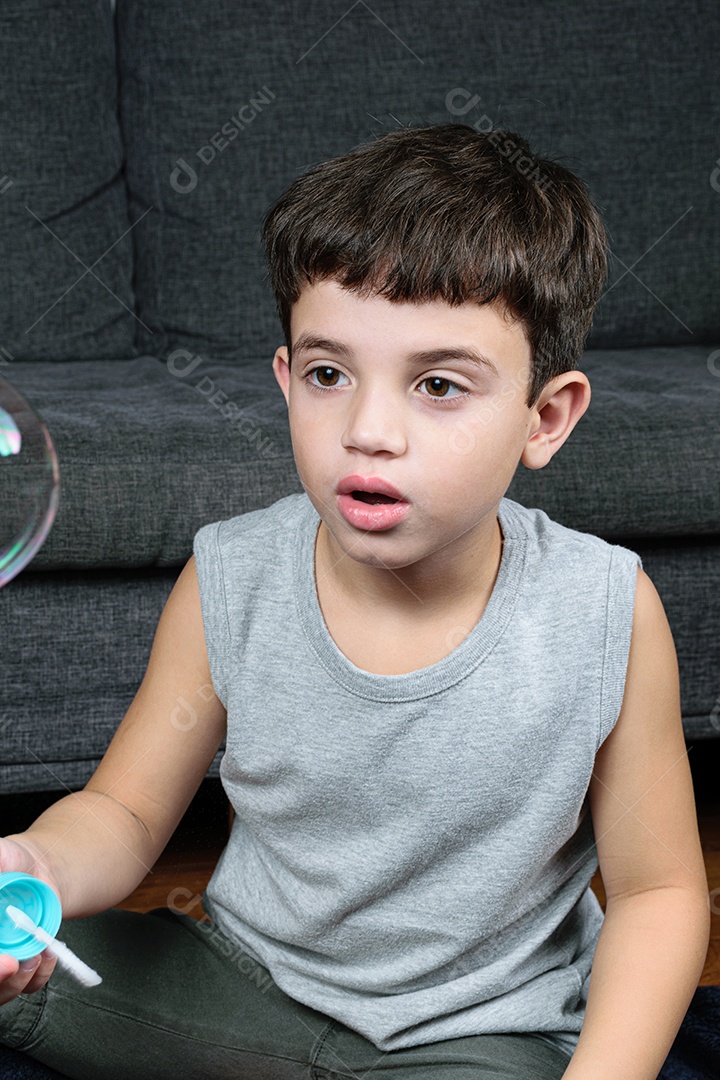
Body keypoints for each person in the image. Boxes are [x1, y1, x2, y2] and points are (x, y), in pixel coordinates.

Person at [0, 123, 710, 1080]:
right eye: (330, 375)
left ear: (545, 418)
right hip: (239, 993)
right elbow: (124, 815)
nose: (369, 430)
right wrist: (39, 867)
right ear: (287, 380)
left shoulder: (605, 612)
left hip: (477, 1036)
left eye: (439, 385)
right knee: (35, 979)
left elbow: (660, 893)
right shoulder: (232, 577)